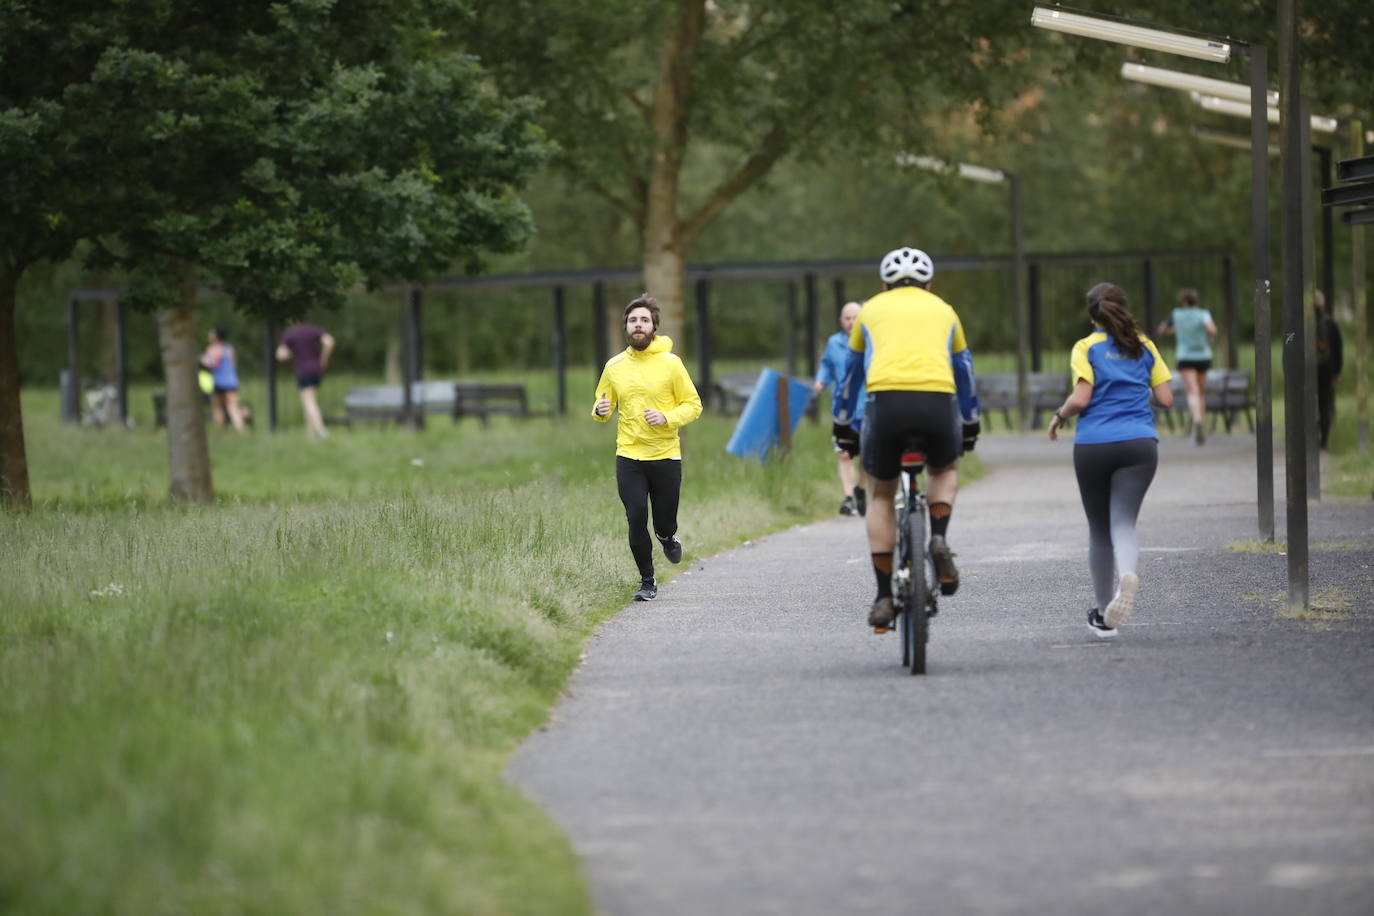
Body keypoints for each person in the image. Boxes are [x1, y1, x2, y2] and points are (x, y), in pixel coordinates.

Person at [834, 247, 980, 629]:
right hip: (937, 401)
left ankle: (884, 595)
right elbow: (964, 369)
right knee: (945, 469)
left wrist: (842, 421)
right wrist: (971, 419)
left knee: (881, 492)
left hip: (886, 404)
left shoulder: (870, 311)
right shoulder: (945, 310)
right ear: (929, 283)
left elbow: (849, 374)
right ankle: (939, 538)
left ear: (884, 284)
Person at [1049, 282, 1173, 638]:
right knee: (1124, 522)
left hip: (1094, 444)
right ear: (1123, 308)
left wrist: (1059, 416)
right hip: (1139, 443)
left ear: (1093, 316)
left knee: (1099, 529)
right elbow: (1165, 398)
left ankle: (1104, 614)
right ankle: (1128, 573)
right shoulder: (1144, 345)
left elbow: (1081, 398)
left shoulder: (1086, 347)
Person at [593, 294, 703, 602]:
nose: (637, 325)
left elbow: (693, 405)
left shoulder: (671, 364)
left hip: (665, 455)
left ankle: (667, 538)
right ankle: (647, 580)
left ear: (654, 326)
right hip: (628, 455)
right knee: (636, 513)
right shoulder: (614, 366)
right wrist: (600, 411)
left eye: (644, 320)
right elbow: (603, 404)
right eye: (632, 320)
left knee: (663, 521)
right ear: (626, 327)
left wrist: (667, 417)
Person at [813, 301, 867, 516]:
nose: (851, 322)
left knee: (866, 454)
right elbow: (826, 364)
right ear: (841, 321)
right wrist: (821, 380)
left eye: (856, 318)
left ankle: (861, 488)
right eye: (847, 318)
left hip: (868, 406)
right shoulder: (833, 343)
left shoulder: (870, 341)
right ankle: (847, 497)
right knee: (844, 454)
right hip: (844, 407)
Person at [1156, 288, 1216, 444]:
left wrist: (1175, 330)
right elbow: (1211, 329)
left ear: (1183, 301)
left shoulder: (1176, 314)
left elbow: (1162, 329)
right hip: (1203, 355)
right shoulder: (1203, 313)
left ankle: (1196, 420)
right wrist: (1209, 339)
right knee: (1201, 392)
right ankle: (1200, 422)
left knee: (1192, 391)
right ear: (1196, 301)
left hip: (1185, 357)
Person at [276, 322, 335, 440]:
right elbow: (329, 342)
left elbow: (280, 355)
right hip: (316, 369)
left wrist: (292, 353)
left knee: (309, 402)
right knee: (310, 400)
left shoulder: (290, 334)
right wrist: (323, 359)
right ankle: (311, 435)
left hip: (303, 370)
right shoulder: (314, 331)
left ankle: (321, 430)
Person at [200, 327, 247, 432]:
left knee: (217, 407)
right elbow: (234, 365)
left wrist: (201, 360)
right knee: (233, 407)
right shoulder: (229, 348)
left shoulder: (212, 349)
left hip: (218, 382)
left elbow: (212, 364)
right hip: (231, 381)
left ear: (216, 337)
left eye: (211, 334)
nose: (209, 336)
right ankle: (241, 430)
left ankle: (220, 430)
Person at [1314, 290, 1343, 450]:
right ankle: (1324, 441)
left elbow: (1289, 343)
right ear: (1322, 303)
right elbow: (1338, 349)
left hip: (1307, 370)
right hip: (1326, 370)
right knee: (1325, 405)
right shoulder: (1331, 323)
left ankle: (1309, 437)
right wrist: (1337, 372)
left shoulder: (1300, 323)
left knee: (1307, 403)